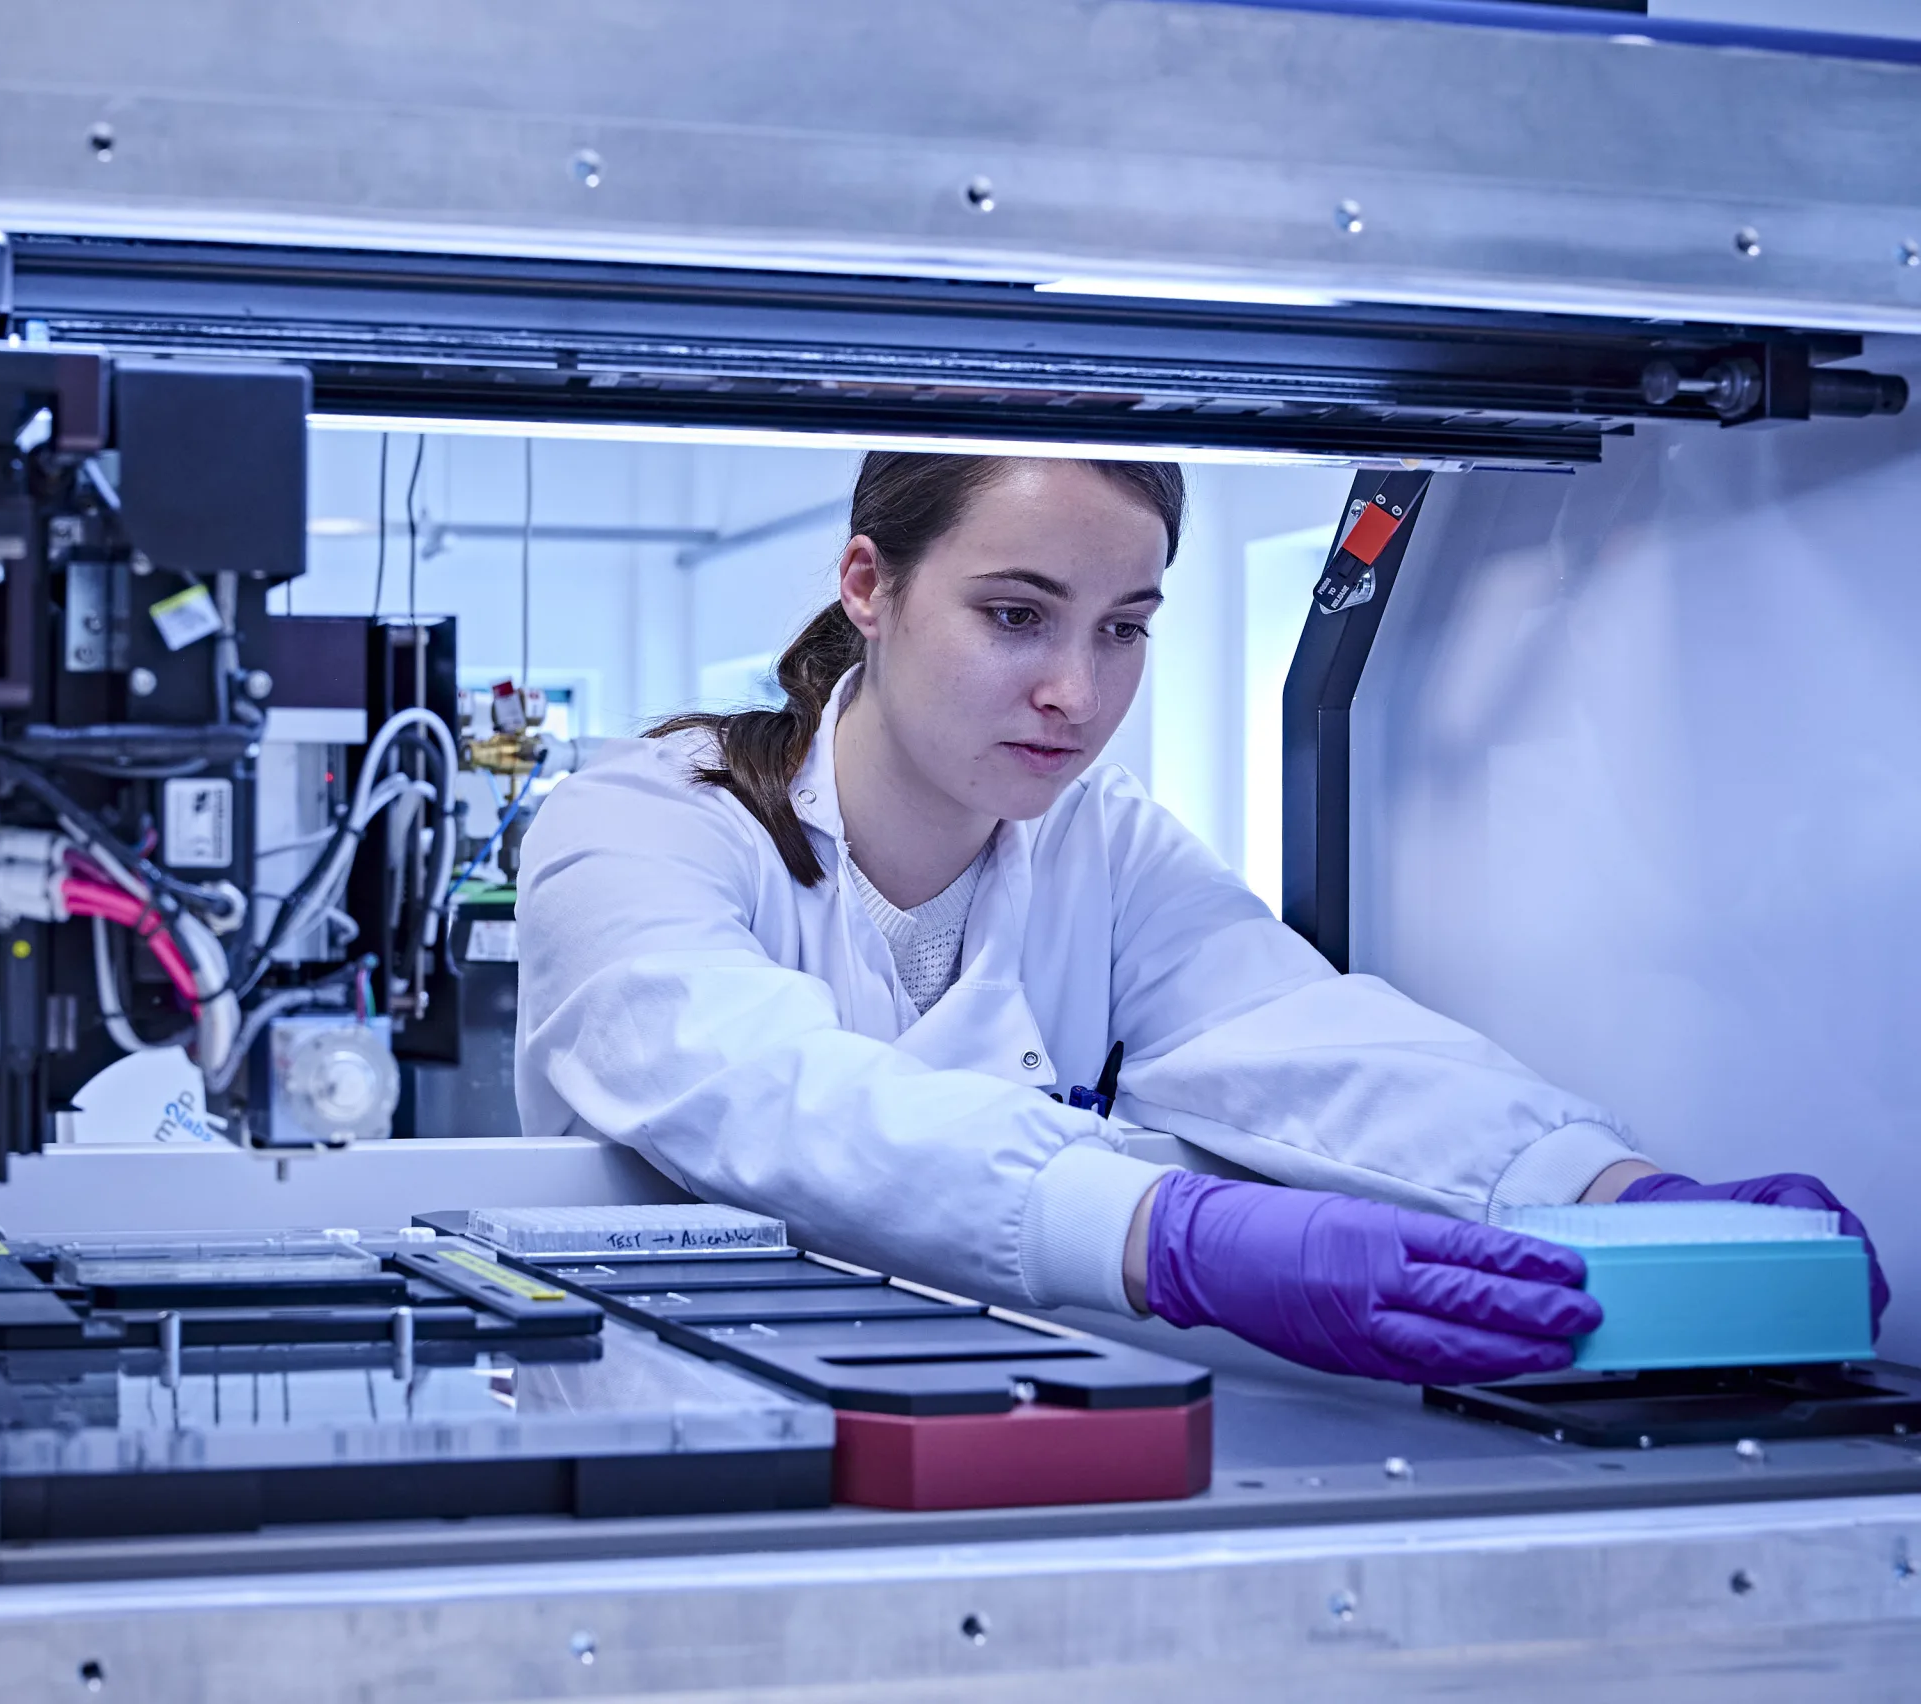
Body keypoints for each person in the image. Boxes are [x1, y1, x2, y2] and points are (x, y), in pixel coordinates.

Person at [512, 453, 1887, 1384]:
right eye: (1015, 615)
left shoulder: (1103, 850)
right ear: (867, 586)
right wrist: (1173, 1234)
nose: (1077, 691)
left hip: (1000, 1435)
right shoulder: (639, 825)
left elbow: (1295, 1031)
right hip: (673, 1437)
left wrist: (1612, 1189)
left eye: (1124, 628)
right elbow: (769, 1090)